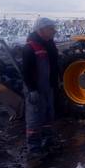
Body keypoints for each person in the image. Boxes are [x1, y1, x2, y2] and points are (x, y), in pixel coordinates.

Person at [22, 17, 59, 154]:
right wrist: (32, 90)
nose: (54, 31)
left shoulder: (49, 45)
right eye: (51, 28)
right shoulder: (30, 48)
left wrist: (56, 83)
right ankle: (34, 146)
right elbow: (26, 72)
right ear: (41, 30)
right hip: (35, 88)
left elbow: (54, 66)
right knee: (34, 117)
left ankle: (48, 139)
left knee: (49, 113)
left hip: (48, 86)